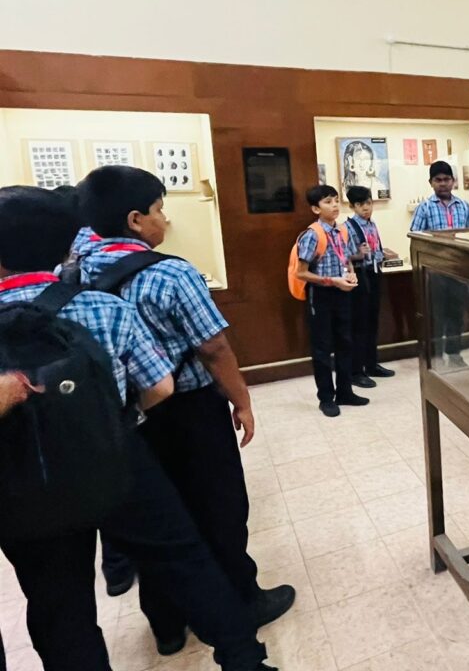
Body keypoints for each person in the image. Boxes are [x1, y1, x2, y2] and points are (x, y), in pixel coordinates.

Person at [0, 186, 275, 671]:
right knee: (183, 557)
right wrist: (120, 419)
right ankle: (243, 659)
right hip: (114, 454)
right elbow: (160, 385)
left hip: (23, 478)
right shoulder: (101, 307)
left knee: (57, 601)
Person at [74, 166, 295, 656]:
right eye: (159, 209)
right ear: (135, 219)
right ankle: (242, 599)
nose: (164, 219)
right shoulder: (170, 273)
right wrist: (241, 399)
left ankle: (167, 624)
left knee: (158, 520)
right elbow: (214, 348)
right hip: (189, 412)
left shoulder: (75, 270)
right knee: (220, 508)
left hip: (125, 418)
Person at [53, 185, 137, 596]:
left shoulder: (66, 267)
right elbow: (159, 382)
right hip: (118, 402)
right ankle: (123, 561)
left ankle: (116, 567)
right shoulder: (111, 258)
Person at [292, 184, 367, 415]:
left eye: (336, 200)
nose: (334, 205)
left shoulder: (343, 231)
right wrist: (331, 281)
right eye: (327, 202)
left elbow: (347, 258)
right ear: (316, 209)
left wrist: (351, 273)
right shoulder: (312, 235)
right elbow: (300, 272)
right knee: (322, 347)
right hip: (321, 294)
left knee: (345, 342)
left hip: (342, 291)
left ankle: (345, 391)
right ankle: (326, 397)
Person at [410, 161, 469, 367]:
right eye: (438, 180)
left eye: (446, 179)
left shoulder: (464, 206)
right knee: (436, 316)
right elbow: (415, 239)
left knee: (456, 315)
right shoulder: (424, 208)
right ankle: (436, 356)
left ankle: (454, 355)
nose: (443, 183)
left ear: (453, 181)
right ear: (431, 182)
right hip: (435, 273)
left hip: (459, 272)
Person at [344, 185, 398, 388]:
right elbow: (342, 256)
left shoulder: (372, 224)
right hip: (359, 275)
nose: (365, 208)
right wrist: (358, 254)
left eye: (368, 203)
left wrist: (384, 254)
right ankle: (356, 371)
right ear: (352, 206)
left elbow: (376, 249)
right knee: (359, 325)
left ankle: (372, 364)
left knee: (372, 322)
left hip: (374, 273)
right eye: (360, 204)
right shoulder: (348, 227)